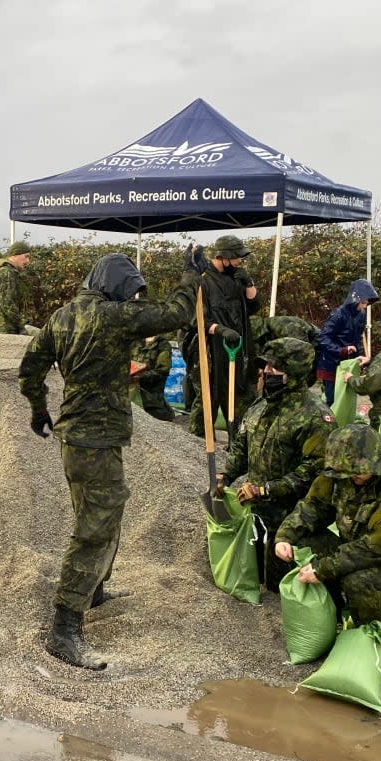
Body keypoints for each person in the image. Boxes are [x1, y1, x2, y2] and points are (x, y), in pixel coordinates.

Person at [19, 252, 201, 670]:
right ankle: (64, 630)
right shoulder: (111, 316)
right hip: (95, 438)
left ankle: (95, 588)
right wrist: (192, 274)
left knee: (103, 512)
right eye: (131, 290)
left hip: (76, 435)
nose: (134, 298)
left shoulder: (61, 317)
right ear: (116, 287)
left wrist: (38, 409)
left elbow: (30, 368)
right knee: (94, 530)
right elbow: (174, 312)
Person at [274, 423, 381, 683]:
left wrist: (323, 568)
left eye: (357, 473)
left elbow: (379, 547)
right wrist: (286, 536)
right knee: (306, 541)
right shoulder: (343, 473)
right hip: (360, 551)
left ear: (373, 463)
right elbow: (313, 507)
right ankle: (341, 613)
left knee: (359, 580)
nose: (351, 479)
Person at [218, 337, 337, 592]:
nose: (266, 372)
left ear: (294, 373)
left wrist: (267, 490)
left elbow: (314, 471)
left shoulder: (315, 416)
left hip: (292, 517)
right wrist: (226, 475)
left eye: (275, 367)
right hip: (257, 512)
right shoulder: (261, 406)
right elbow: (242, 446)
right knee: (251, 573)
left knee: (279, 585)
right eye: (266, 366)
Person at [186, 236, 260, 440]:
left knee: (239, 398)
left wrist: (249, 283)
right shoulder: (203, 280)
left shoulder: (237, 278)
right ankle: (196, 443)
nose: (239, 262)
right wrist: (220, 330)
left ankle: (237, 445)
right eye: (236, 258)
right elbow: (195, 318)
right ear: (224, 257)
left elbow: (254, 307)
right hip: (210, 350)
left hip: (237, 348)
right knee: (207, 399)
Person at [316, 279, 379, 405]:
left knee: (346, 400)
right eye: (362, 303)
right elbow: (323, 338)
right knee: (332, 400)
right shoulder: (338, 315)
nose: (364, 306)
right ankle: (328, 422)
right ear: (355, 299)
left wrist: (360, 357)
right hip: (331, 364)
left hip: (348, 363)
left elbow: (358, 338)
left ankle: (341, 423)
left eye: (366, 303)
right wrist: (341, 350)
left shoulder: (361, 314)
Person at [0, 241, 33, 334]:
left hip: (6, 325)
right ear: (15, 254)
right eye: (26, 256)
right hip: (3, 327)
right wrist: (22, 322)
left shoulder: (11, 273)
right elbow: (7, 304)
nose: (28, 261)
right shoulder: (6, 273)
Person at [132, 331, 175, 422]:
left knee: (159, 418)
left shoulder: (163, 345)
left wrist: (140, 377)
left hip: (150, 397)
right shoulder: (136, 342)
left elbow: (162, 371)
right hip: (131, 394)